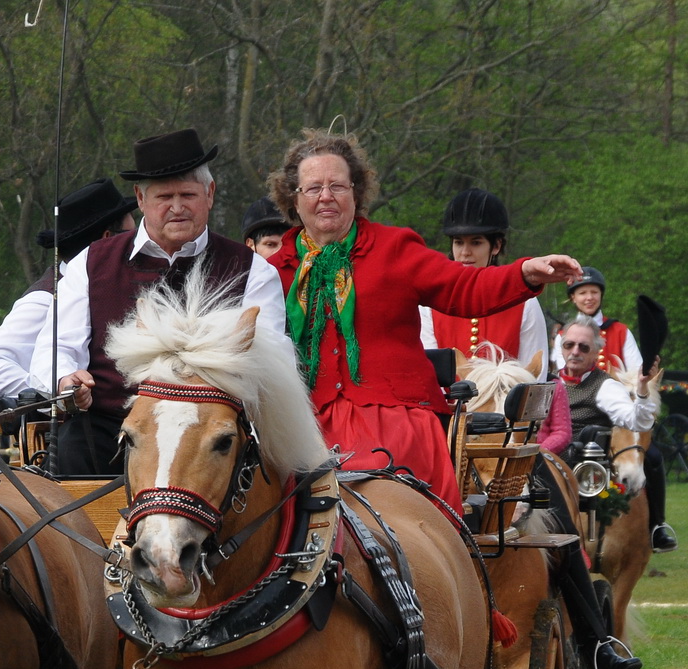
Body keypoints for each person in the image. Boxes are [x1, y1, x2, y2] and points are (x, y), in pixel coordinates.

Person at [263, 129, 579, 511]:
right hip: (304, 426)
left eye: (338, 186)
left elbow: (465, 287)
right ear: (294, 199)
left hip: (397, 424)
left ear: (356, 193)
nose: (326, 196)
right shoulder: (270, 272)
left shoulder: (395, 249)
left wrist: (525, 272)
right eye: (313, 188)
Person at [31, 128, 287, 475]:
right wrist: (66, 381)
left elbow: (270, 363)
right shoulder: (91, 263)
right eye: (164, 196)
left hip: (206, 439)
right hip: (106, 436)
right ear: (140, 198)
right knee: (69, 452)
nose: (177, 207)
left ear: (210, 193)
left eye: (188, 195)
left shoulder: (252, 270)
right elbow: (54, 348)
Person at [0, 177, 137, 405]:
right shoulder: (44, 299)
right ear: (108, 238)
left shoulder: (112, 286)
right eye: (131, 235)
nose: (136, 243)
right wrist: (63, 390)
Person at [556, 318, 678, 552]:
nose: (575, 352)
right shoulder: (548, 381)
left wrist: (642, 388)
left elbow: (636, 420)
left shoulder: (606, 386)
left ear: (596, 352)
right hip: (547, 465)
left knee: (652, 457)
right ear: (561, 348)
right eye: (569, 345)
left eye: (584, 347)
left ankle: (657, 524)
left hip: (582, 471)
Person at [419, 188, 551, 376]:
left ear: (496, 246)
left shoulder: (525, 302)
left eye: (475, 243)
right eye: (458, 242)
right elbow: (430, 373)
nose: (465, 252)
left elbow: (535, 375)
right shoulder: (429, 303)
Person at [551, 267, 641, 374]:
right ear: (573, 297)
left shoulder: (621, 331)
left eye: (594, 292)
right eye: (582, 293)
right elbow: (566, 376)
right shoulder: (563, 336)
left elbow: (636, 373)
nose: (589, 297)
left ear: (601, 295)